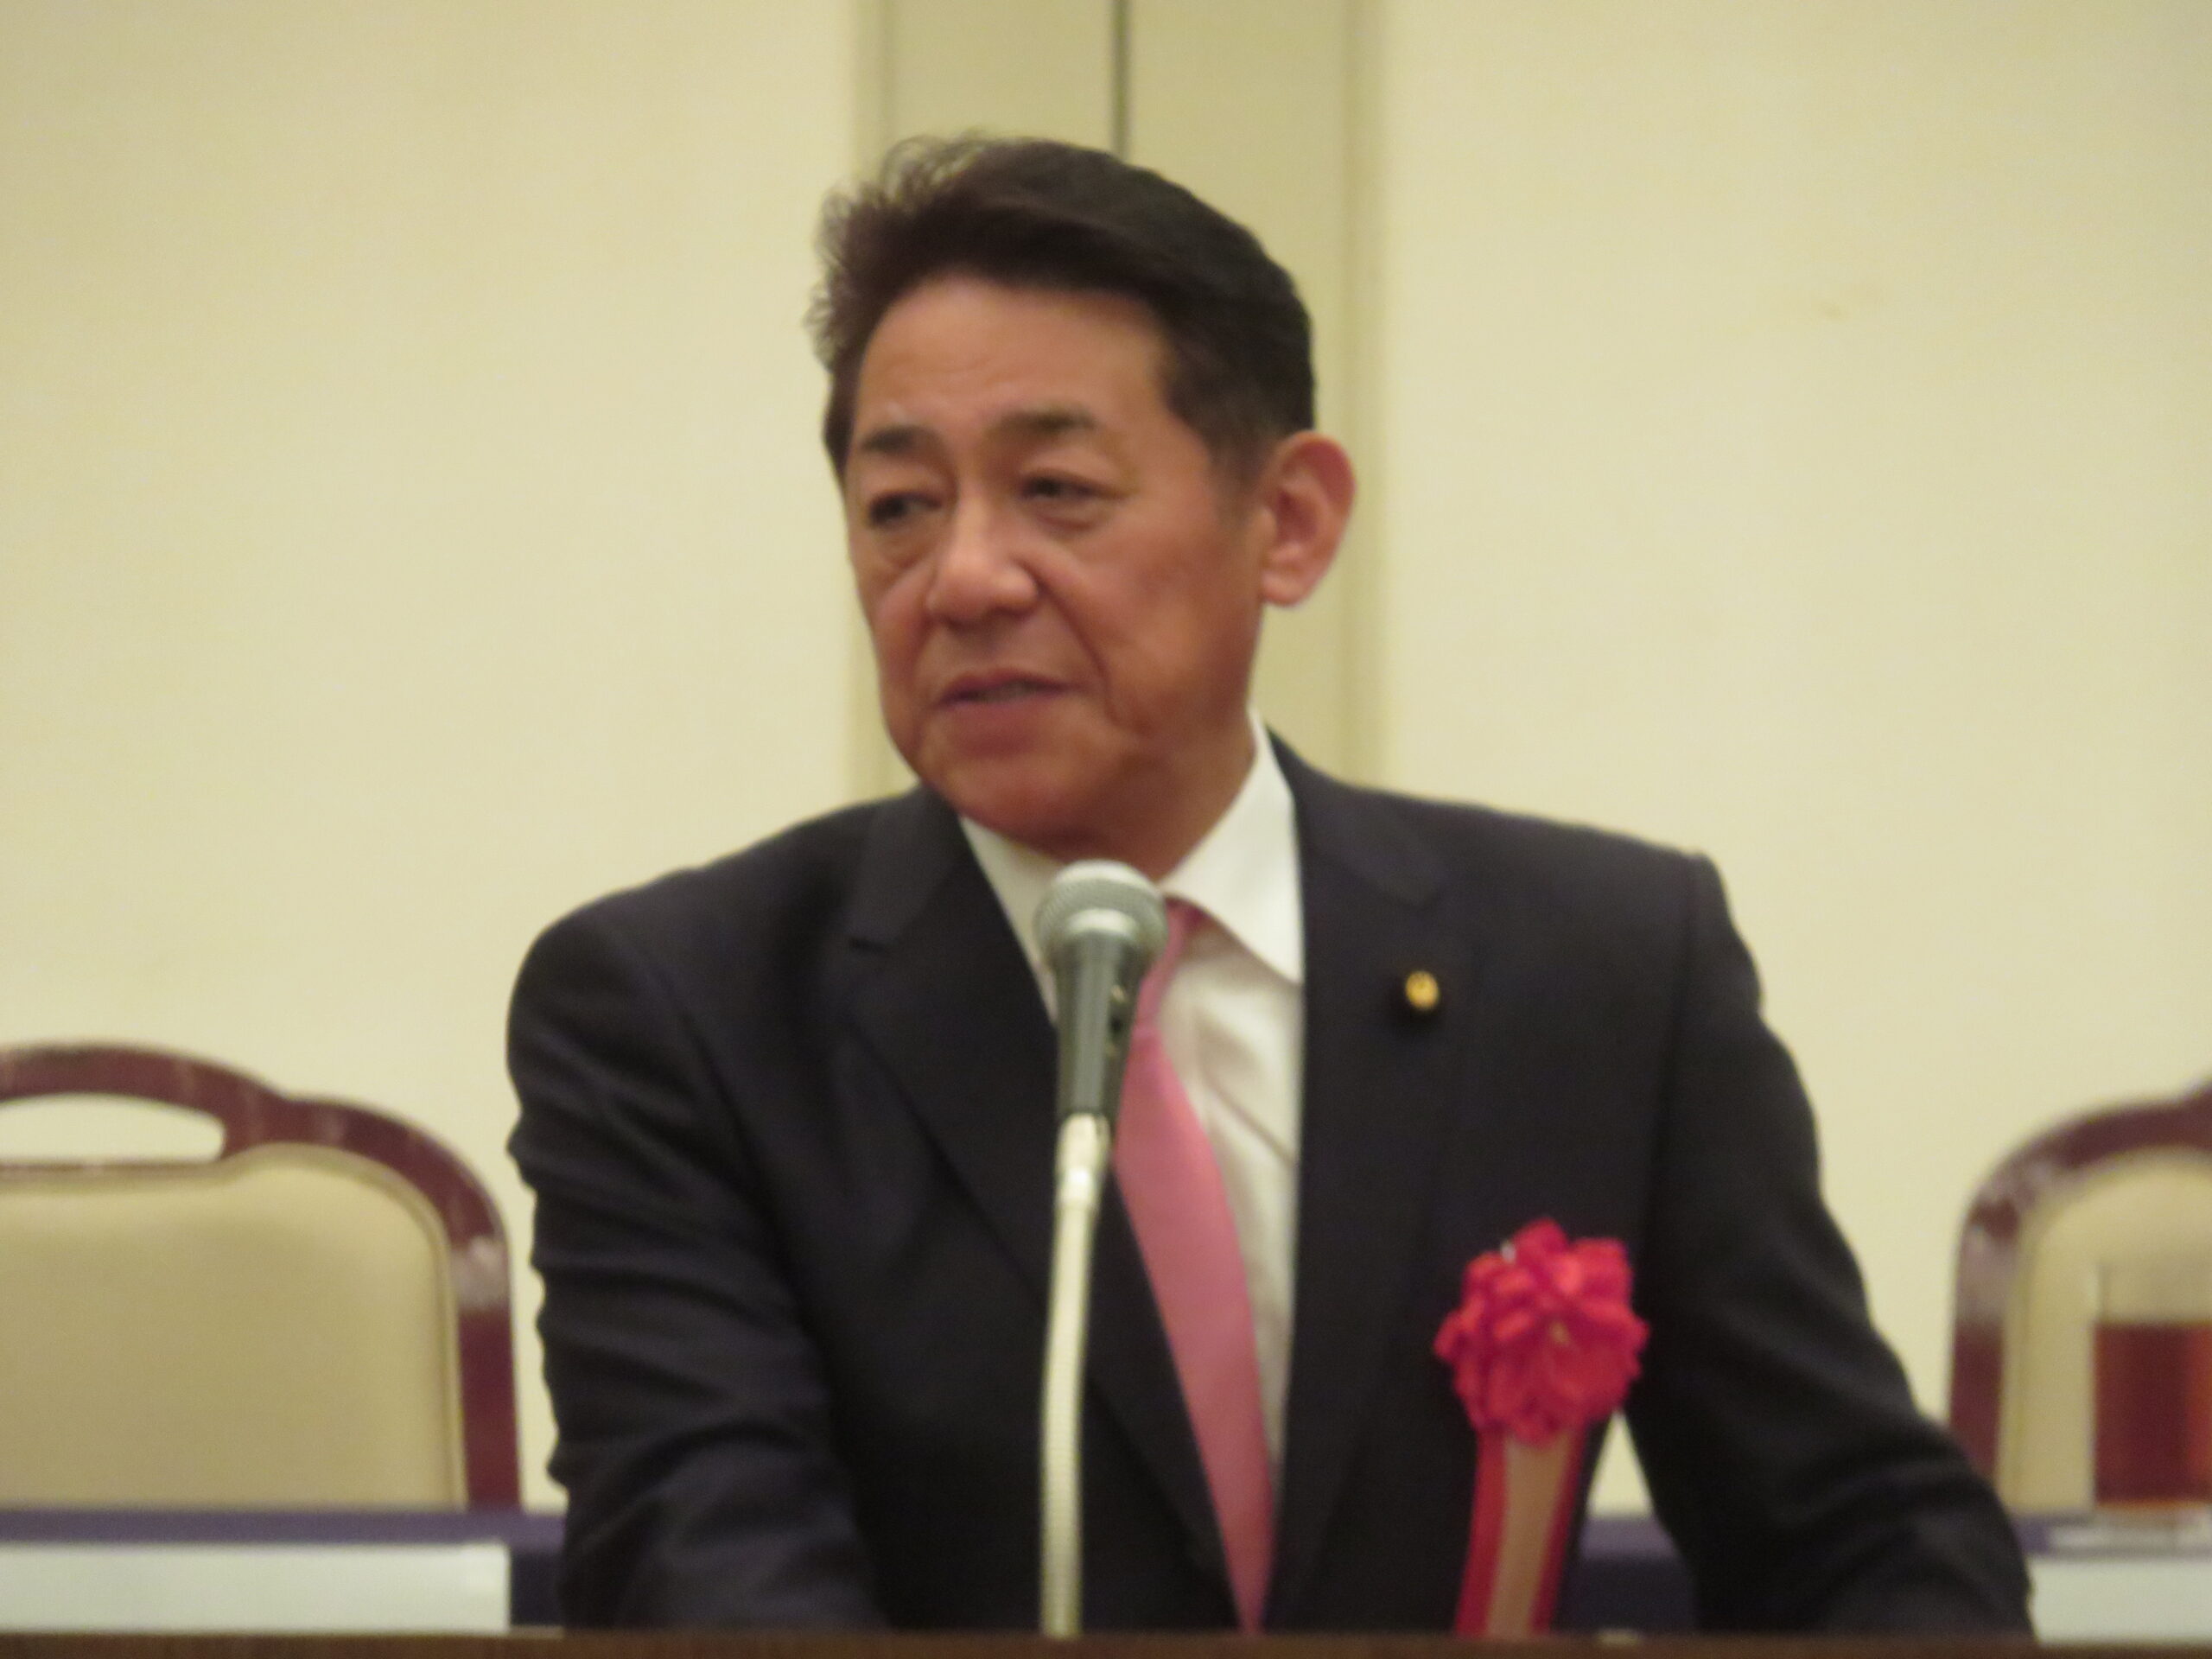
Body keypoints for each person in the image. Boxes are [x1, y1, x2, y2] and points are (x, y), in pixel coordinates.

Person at [507, 137, 2030, 1633]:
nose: (963, 578)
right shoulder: (685, 1016)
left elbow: (1858, 1539)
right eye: (900, 506)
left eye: (1056, 488)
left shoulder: (1605, 973)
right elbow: (709, 1573)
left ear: (1287, 524)